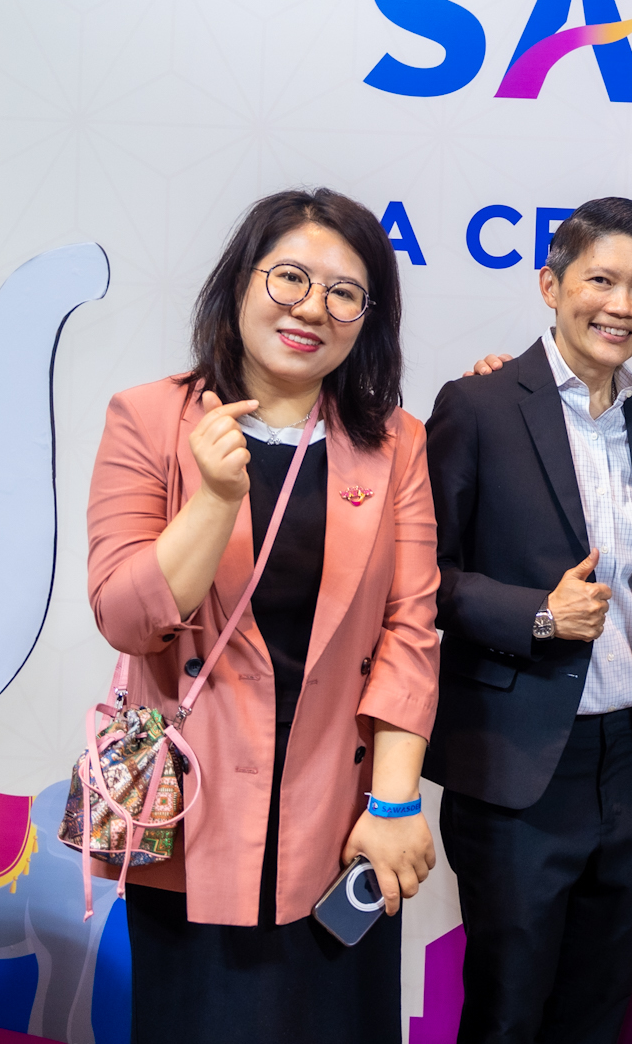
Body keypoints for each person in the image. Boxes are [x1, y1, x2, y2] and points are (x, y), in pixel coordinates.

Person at [86, 188, 440, 1044]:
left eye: (344, 292)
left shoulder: (395, 441)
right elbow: (126, 616)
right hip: (192, 814)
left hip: (339, 821)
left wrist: (394, 805)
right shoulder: (149, 416)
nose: (311, 307)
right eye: (290, 277)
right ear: (242, 279)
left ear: (369, 318)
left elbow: (410, 630)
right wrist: (213, 497)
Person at [423, 197, 632, 1044]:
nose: (621, 305)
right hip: (521, 763)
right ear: (551, 284)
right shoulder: (478, 405)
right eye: (600, 280)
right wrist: (537, 614)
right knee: (507, 1012)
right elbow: (420, 579)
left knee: (598, 1013)